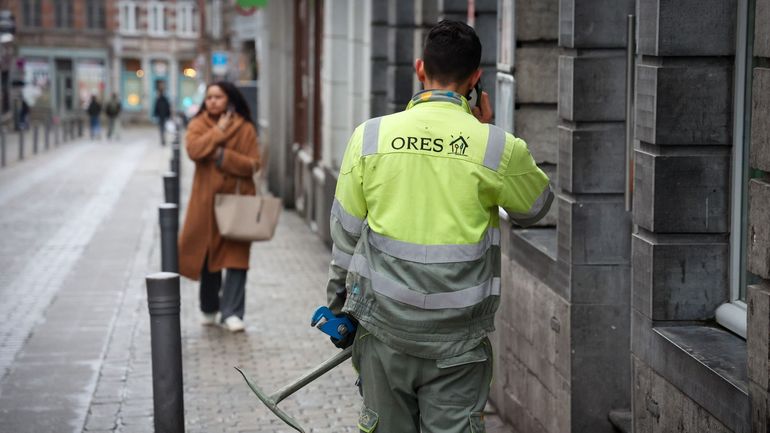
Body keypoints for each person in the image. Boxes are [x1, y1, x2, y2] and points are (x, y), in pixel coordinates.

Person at [324, 20, 553, 433]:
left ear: (419, 68)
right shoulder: (496, 146)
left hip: (384, 335)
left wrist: (339, 310)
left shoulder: (370, 137)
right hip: (458, 344)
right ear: (477, 78)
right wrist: (486, 132)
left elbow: (345, 234)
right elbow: (536, 206)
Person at [178, 81, 261, 333]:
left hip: (237, 201)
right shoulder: (198, 124)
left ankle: (233, 312)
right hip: (205, 204)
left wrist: (223, 157)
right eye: (210, 97)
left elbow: (253, 164)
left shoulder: (245, 128)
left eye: (219, 97)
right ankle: (209, 308)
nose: (213, 101)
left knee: (236, 258)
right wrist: (219, 132)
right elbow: (193, 150)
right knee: (207, 256)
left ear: (229, 99)